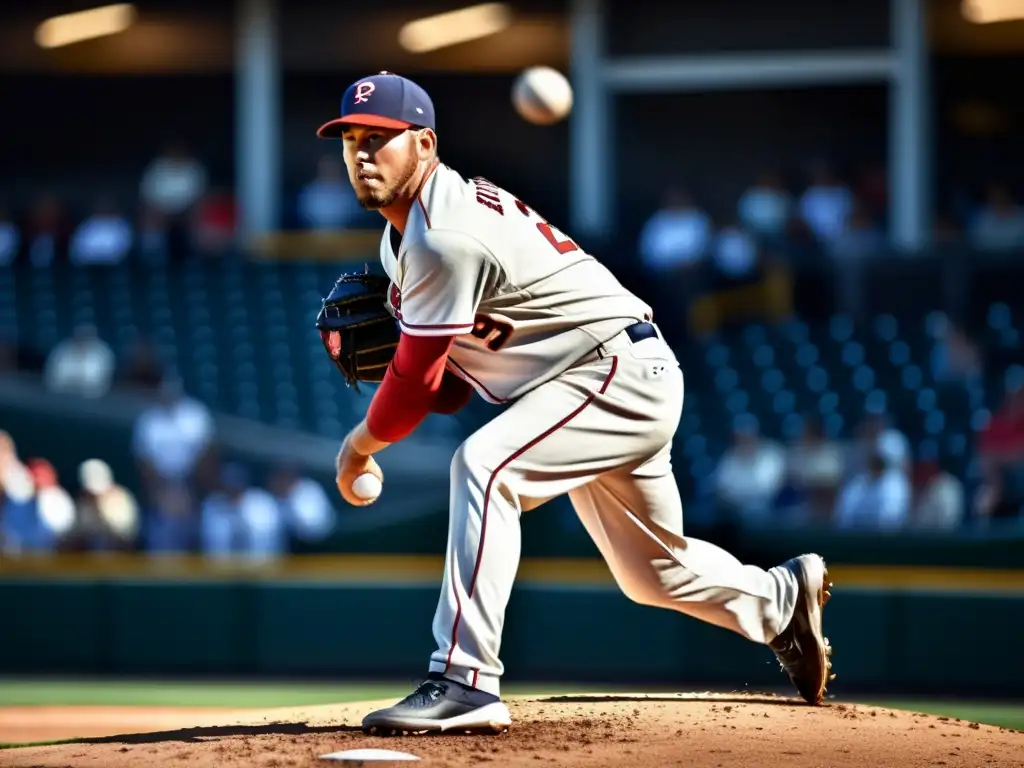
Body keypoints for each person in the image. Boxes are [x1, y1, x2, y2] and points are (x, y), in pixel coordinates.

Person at [316, 71, 835, 735]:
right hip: (592, 382)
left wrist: (358, 445)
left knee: (485, 468)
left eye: (381, 138)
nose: (362, 152)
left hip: (612, 372)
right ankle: (779, 601)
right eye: (351, 138)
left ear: (425, 143)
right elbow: (445, 387)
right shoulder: (412, 233)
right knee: (652, 573)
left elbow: (415, 386)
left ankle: (464, 679)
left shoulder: (442, 235)